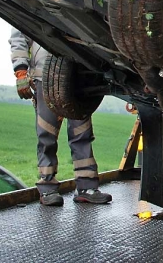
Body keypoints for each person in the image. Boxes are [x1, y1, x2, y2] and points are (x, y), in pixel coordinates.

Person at [9, 27, 112, 206]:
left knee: (82, 133)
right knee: (46, 134)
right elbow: (19, 36)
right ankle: (47, 189)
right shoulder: (30, 0)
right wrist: (20, 71)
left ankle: (86, 188)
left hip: (78, 77)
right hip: (46, 77)